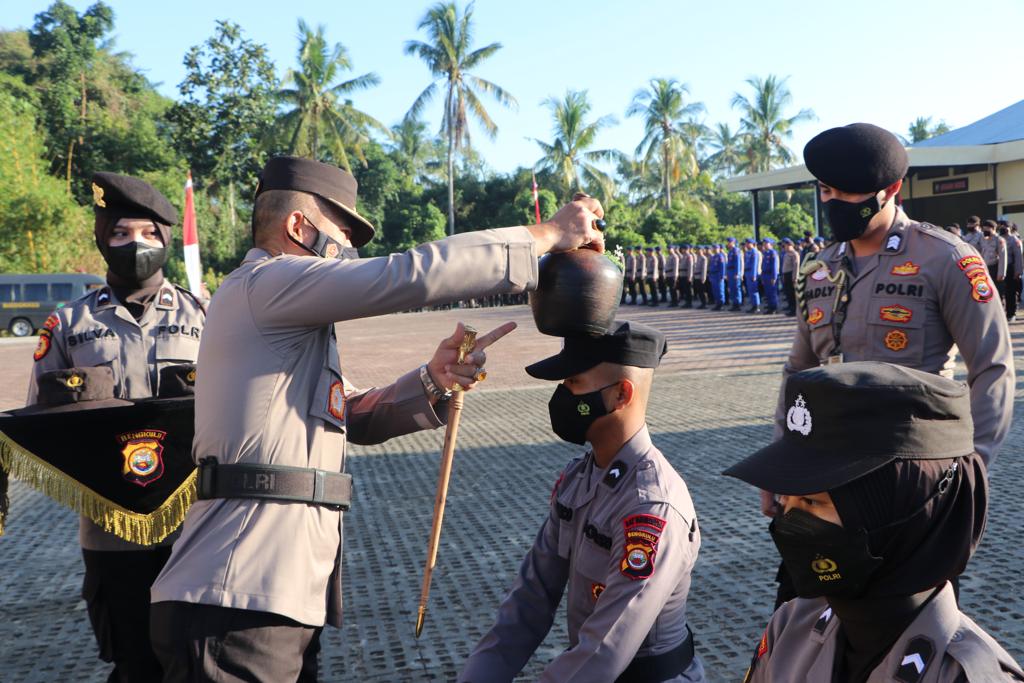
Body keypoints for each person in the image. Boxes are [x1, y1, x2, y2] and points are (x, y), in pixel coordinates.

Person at [148, 156, 605, 681]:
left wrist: (433, 379)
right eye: (342, 236)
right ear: (298, 227)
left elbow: (352, 416)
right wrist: (547, 234)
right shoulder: (263, 285)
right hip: (232, 599)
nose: (350, 253)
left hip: (273, 594)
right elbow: (406, 275)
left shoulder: (288, 324)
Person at [771, 123, 1015, 607]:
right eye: (826, 190)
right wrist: (781, 461)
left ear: (892, 190)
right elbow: (797, 372)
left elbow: (992, 367)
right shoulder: (818, 267)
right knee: (802, 613)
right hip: (824, 477)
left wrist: (971, 466)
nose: (834, 201)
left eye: (849, 192)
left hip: (910, 481)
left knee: (906, 621)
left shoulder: (945, 259)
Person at [727, 362, 1024, 682]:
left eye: (812, 502)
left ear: (900, 511)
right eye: (787, 499)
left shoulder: (966, 675)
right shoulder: (790, 627)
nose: (790, 520)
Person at [27, 172, 206, 683]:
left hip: (194, 527)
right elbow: (43, 422)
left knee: (195, 660)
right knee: (132, 662)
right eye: (121, 233)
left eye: (149, 234)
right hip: (110, 533)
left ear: (166, 239)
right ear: (103, 238)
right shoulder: (66, 325)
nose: (136, 245)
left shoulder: (205, 319)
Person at [459, 321, 704, 683]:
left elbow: (605, 649)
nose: (562, 396)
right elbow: (531, 597)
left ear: (621, 395)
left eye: (573, 384)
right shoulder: (580, 478)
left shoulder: (651, 507)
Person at [977, 219, 1007, 303]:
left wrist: (1001, 274)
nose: (984, 230)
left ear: (993, 228)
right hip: (985, 268)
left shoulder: (999, 240)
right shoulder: (982, 239)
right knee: (985, 291)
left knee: (998, 292)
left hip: (995, 268)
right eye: (984, 228)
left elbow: (1003, 257)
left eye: (987, 228)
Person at [998, 221, 1022, 321]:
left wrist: (1018, 272)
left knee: (1010, 293)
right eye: (1001, 226)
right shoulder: (997, 239)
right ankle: (1000, 314)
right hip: (998, 268)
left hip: (1010, 269)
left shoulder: (1014, 240)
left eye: (1006, 226)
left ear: (1010, 228)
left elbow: (1018, 257)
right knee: (999, 292)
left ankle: (1011, 313)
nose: (1003, 228)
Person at [780, 238, 800, 316]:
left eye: (784, 245)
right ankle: (790, 307)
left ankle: (794, 310)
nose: (783, 247)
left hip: (791, 275)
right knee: (788, 293)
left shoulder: (794, 254)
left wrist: (795, 277)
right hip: (786, 275)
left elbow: (796, 266)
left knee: (792, 293)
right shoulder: (786, 254)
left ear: (789, 245)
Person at [760, 238, 780, 314]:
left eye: (766, 243)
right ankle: (770, 307)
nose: (764, 245)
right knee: (767, 293)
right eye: (764, 243)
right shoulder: (765, 253)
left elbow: (775, 266)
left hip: (770, 275)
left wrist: (774, 277)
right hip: (765, 275)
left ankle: (774, 308)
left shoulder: (773, 253)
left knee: (772, 293)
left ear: (771, 244)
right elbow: (763, 265)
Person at [743, 238, 762, 313]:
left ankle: (756, 306)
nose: (747, 245)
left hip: (752, 272)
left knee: (754, 290)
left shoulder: (754, 252)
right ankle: (753, 305)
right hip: (748, 272)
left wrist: (753, 275)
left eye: (748, 243)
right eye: (746, 243)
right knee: (750, 290)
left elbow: (754, 264)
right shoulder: (748, 252)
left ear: (752, 244)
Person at [726, 237, 744, 311]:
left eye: (729, 242)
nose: (728, 243)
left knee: (736, 289)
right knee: (732, 289)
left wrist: (737, 273)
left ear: (733, 242)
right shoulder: (730, 251)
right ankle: (734, 303)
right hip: (730, 272)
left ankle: (738, 304)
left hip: (734, 271)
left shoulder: (736, 251)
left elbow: (738, 263)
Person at [709, 244, 726, 311]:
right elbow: (711, 267)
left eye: (715, 248)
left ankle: (721, 304)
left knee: (720, 290)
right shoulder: (713, 257)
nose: (714, 249)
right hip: (713, 275)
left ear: (719, 249)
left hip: (718, 275)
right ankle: (717, 304)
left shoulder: (720, 256)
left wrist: (722, 276)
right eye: (713, 248)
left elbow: (722, 267)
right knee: (715, 290)